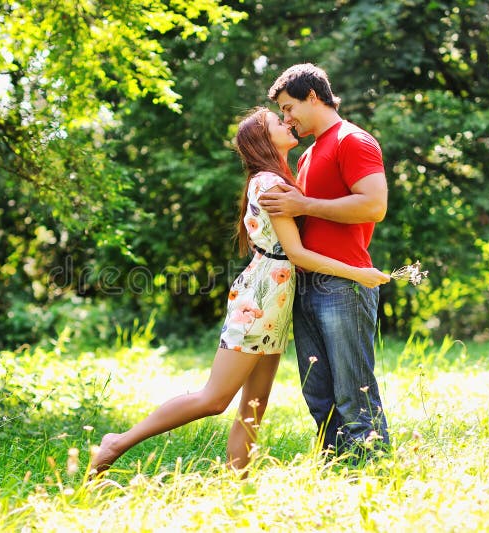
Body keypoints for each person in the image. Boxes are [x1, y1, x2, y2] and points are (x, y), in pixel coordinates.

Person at [91, 107, 390, 475]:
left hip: (276, 302)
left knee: (254, 405)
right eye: (278, 121)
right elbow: (296, 253)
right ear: (263, 139)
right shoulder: (270, 184)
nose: (287, 122)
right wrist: (358, 273)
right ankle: (117, 442)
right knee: (214, 399)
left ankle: (237, 487)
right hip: (260, 299)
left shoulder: (282, 178)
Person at [261, 63, 391, 458]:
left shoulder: (353, 140)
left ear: (313, 96)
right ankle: (338, 465)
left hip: (344, 284)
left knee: (354, 390)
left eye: (288, 108)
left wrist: (303, 204)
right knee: (318, 392)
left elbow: (374, 205)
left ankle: (373, 466)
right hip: (308, 282)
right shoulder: (309, 154)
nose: (287, 118)